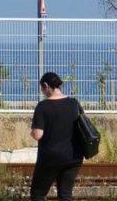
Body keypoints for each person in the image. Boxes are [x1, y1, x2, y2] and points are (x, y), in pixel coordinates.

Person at [30, 72, 84, 201]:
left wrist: (31, 131)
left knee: (38, 194)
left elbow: (38, 135)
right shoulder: (74, 103)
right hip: (74, 157)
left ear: (46, 85)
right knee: (65, 195)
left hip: (50, 158)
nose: (42, 92)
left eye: (42, 89)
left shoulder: (43, 107)